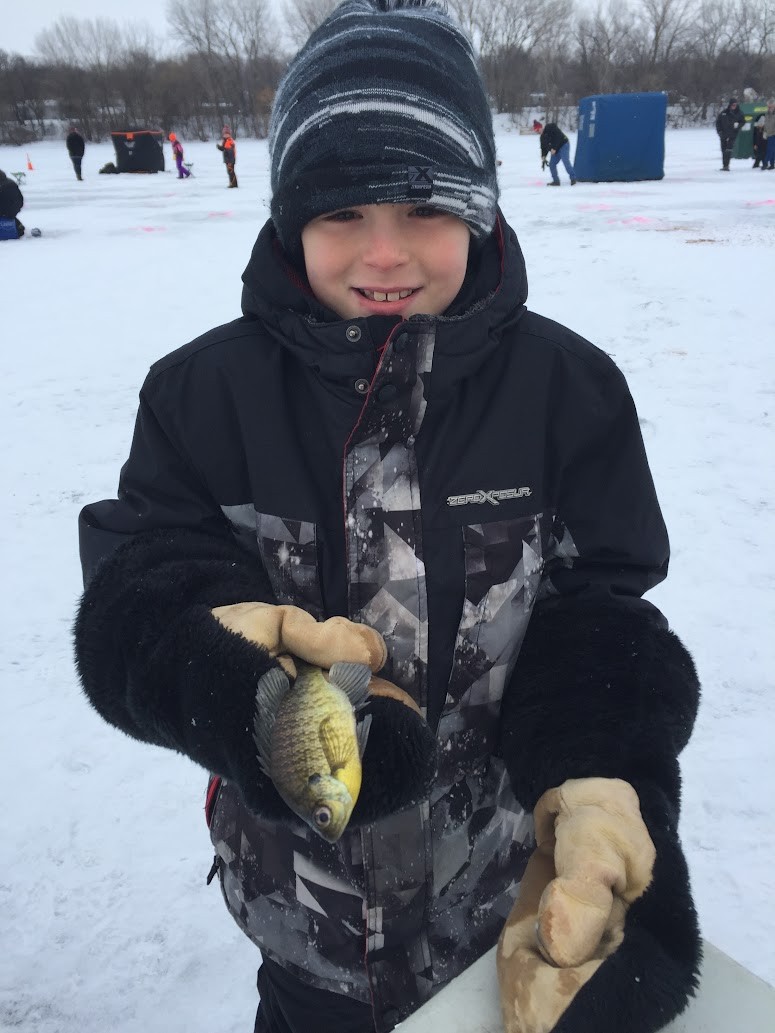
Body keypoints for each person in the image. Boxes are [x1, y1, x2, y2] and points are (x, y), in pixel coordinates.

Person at [73, 4, 702, 1033]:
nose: (384, 253)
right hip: (300, 920)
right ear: (289, 217)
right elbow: (140, 588)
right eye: (340, 212)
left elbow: (600, 605)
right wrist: (222, 680)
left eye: (423, 207)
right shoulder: (201, 396)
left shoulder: (569, 391)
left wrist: (601, 770)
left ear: (481, 209)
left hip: (500, 898)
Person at [715, 97, 745, 170]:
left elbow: (743, 121)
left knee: (729, 150)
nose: (734, 106)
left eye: (735, 105)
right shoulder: (724, 113)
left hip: (732, 134)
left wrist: (738, 126)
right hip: (723, 134)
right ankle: (724, 165)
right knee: (723, 150)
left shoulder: (739, 113)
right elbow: (718, 122)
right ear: (730, 105)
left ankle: (726, 166)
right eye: (733, 105)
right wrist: (719, 131)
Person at [0, 169, 25, 238]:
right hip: (10, 212)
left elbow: (15, 202)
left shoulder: (6, 186)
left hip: (7, 212)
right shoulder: (8, 182)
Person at [762, 98, 775, 170]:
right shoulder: (766, 114)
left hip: (774, 133)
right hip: (769, 134)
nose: (769, 108)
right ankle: (772, 164)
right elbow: (766, 123)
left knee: (770, 149)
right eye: (768, 106)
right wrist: (765, 131)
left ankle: (765, 163)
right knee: (772, 150)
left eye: (771, 106)